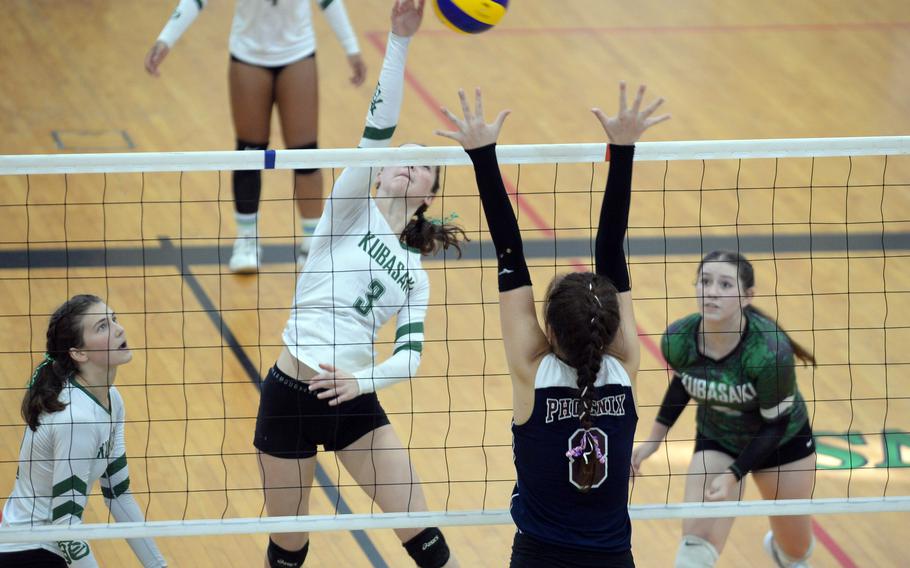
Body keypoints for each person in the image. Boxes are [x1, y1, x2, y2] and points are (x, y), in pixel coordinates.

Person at [252, 2, 462, 567]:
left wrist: (361, 381)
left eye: (421, 168)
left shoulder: (415, 276)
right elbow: (376, 132)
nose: (406, 165)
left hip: (354, 400)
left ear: (426, 196)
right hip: (291, 396)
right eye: (402, 159)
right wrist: (399, 43)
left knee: (426, 539)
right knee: (288, 547)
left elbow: (411, 356)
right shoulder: (349, 211)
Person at [435, 83, 669, 567]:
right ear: (610, 331)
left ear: (550, 331)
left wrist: (481, 155)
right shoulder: (625, 365)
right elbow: (611, 249)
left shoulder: (532, 372)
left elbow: (509, 253)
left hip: (539, 556)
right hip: (612, 558)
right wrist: (623, 150)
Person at [145, 0, 367, 273]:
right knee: (249, 153)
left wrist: (352, 48)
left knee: (306, 154)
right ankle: (247, 241)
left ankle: (313, 242)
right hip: (248, 56)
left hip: (297, 54)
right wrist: (165, 39)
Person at [631, 251, 818, 568]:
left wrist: (733, 477)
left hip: (782, 444)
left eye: (725, 284)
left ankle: (784, 552)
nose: (712, 291)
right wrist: (653, 440)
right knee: (693, 552)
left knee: (796, 553)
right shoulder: (679, 338)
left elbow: (774, 426)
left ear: (747, 297)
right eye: (705, 281)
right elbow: (684, 382)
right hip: (720, 438)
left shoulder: (769, 353)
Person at [0, 294, 167, 568]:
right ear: (79, 353)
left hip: (49, 544)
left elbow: (118, 493)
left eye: (114, 320)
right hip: (27, 550)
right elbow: (66, 529)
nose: (119, 329)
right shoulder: (77, 420)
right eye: (103, 326)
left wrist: (158, 565)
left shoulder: (112, 399)